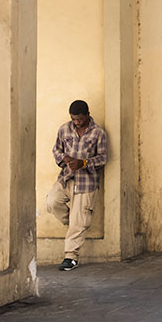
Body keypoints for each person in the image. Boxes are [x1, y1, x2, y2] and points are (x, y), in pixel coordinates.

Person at [46, 99, 108, 271]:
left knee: (78, 221)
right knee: (52, 202)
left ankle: (70, 257)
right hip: (66, 178)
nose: (77, 122)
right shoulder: (64, 129)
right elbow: (56, 149)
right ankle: (76, 226)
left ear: (88, 115)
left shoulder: (98, 133)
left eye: (80, 119)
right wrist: (64, 159)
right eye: (74, 119)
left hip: (86, 183)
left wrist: (83, 163)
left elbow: (103, 158)